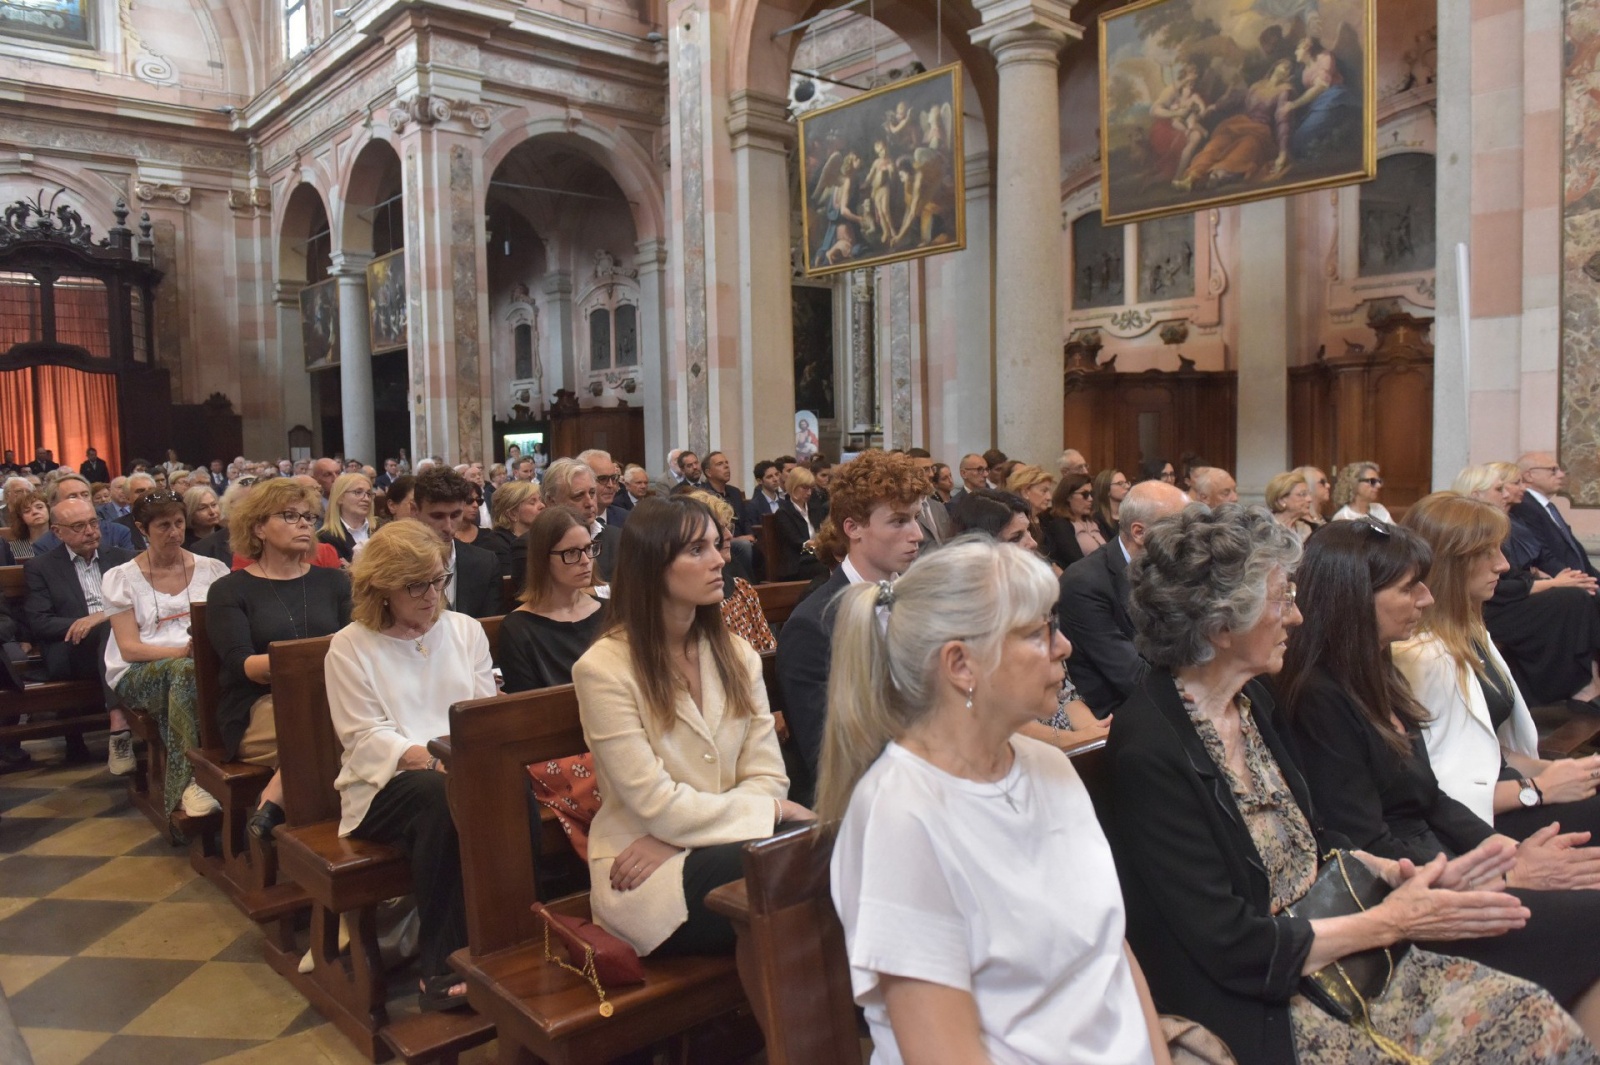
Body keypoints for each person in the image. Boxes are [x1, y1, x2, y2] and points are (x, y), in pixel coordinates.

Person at [1109, 504, 1591, 1065]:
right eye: (1280, 600)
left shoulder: (1250, 702)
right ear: (1220, 626)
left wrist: (1408, 873)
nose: (1295, 616)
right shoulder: (1151, 748)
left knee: (1528, 1013)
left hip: (1338, 958)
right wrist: (1392, 919)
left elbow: (1320, 845)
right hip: (1267, 1000)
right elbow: (1233, 947)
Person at [820, 540, 1175, 1065]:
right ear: (961, 664)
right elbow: (945, 1053)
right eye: (1038, 632)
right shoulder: (901, 816)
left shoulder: (1047, 765)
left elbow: (1110, 954)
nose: (1064, 647)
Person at [1277, 518, 1600, 1031]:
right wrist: (1503, 876)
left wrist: (1506, 855)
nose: (1427, 599)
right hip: (1409, 897)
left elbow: (1431, 798)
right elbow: (1363, 841)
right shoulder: (1317, 696)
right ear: (1354, 598)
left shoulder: (1374, 667)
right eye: (1409, 588)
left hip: (1446, 866)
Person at [572, 496, 803, 956]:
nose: (721, 559)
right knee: (795, 859)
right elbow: (654, 804)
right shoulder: (604, 669)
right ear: (653, 565)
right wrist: (776, 814)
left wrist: (679, 841)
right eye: (697, 550)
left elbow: (770, 778)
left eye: (717, 545)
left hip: (682, 846)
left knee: (797, 870)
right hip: (642, 874)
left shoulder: (736, 654)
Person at [326, 520, 495, 1011]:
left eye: (439, 580)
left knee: (510, 793)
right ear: (380, 587)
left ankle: (507, 945)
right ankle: (441, 966)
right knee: (439, 800)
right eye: (415, 586)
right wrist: (433, 759)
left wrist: (465, 759)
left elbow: (482, 710)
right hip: (383, 786)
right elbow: (365, 734)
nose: (431, 595)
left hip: (459, 769)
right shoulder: (351, 646)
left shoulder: (464, 630)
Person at [1395, 493, 1600, 836]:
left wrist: (1555, 771)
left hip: (1505, 786)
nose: (1503, 565)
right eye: (1487, 553)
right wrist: (1538, 788)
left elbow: (1490, 751)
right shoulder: (1418, 655)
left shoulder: (1470, 629)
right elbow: (1434, 791)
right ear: (1450, 562)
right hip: (1471, 822)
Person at [206, 478, 351, 841]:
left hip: (332, 698)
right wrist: (308, 658)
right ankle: (324, 841)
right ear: (258, 527)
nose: (304, 524)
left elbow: (359, 646)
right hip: (257, 706)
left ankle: (274, 800)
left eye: (309, 517)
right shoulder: (229, 589)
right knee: (341, 728)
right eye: (290, 515)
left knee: (345, 723)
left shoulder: (334, 583)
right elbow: (242, 665)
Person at [778, 450, 925, 806]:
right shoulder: (814, 626)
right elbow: (833, 758)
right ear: (853, 528)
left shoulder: (919, 601)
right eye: (898, 521)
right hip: (866, 804)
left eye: (917, 518)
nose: (917, 534)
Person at [103, 491, 231, 819]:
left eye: (178, 523)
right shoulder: (121, 577)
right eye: (163, 526)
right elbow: (129, 648)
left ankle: (227, 768)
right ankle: (188, 781)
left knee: (201, 675)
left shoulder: (212, 569)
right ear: (142, 529)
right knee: (186, 673)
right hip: (138, 670)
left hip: (199, 664)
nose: (174, 532)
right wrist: (182, 652)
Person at [1455, 464, 1600, 707]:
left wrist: (1547, 579)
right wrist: (1552, 582)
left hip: (1503, 597)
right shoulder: (1468, 529)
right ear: (1475, 494)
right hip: (1485, 608)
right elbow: (1499, 586)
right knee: (1571, 600)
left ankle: (1586, 681)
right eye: (1498, 488)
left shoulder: (1497, 524)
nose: (1506, 494)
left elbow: (1515, 572)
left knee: (1575, 597)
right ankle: (1575, 687)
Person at [21, 498, 136, 773]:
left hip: (123, 645)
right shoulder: (41, 567)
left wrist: (100, 616)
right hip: (72, 651)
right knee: (112, 628)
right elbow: (39, 622)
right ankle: (119, 726)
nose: (90, 531)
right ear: (57, 532)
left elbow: (141, 604)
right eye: (78, 526)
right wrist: (86, 623)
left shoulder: (123, 559)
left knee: (111, 627)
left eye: (93, 522)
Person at [1057, 480, 1188, 718]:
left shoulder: (1172, 570)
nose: (1191, 538)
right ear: (1139, 532)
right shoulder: (1084, 584)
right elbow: (1131, 677)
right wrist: (1199, 697)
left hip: (1167, 700)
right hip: (1120, 719)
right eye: (1180, 529)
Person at [499, 506, 605, 693]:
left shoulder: (609, 612)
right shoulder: (519, 628)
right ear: (543, 559)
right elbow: (527, 707)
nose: (585, 560)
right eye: (571, 552)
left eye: (589, 549)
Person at [409, 467, 500, 618]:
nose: (448, 527)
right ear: (414, 510)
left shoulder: (485, 563)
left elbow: (489, 627)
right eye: (437, 516)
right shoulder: (394, 563)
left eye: (456, 515)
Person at [1512, 453, 1599, 579]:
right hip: (1566, 585)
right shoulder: (1524, 506)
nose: (1561, 475)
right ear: (1529, 475)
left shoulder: (1547, 507)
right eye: (1553, 470)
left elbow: (1575, 553)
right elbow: (1543, 555)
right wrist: (1579, 582)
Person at [481, 479, 543, 585]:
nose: (542, 506)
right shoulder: (495, 544)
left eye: (540, 500)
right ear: (512, 513)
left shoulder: (541, 537)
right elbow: (513, 584)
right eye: (533, 502)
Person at [772, 467, 826, 581]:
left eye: (811, 488)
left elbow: (823, 532)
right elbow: (796, 541)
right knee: (826, 568)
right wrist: (816, 544)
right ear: (793, 486)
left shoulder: (815, 508)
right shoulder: (783, 512)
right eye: (805, 488)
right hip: (797, 563)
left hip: (816, 556)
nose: (809, 493)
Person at [1041, 473, 1099, 571]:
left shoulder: (1094, 521)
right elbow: (1076, 561)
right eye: (1085, 494)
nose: (1090, 499)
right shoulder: (1061, 525)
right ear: (1068, 496)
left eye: (1091, 494)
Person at [317, 473, 376, 564]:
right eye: (358, 492)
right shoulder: (325, 538)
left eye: (368, 494)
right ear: (340, 498)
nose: (366, 499)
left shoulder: (382, 528)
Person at [1264, 469, 1314, 539]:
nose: (1309, 499)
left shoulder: (1305, 529)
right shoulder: (1266, 528)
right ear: (1281, 500)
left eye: (1309, 494)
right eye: (1302, 494)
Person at [6, 489, 51, 559]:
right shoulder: (12, 548)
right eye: (27, 511)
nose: (35, 512)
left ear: (48, 509)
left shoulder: (64, 541)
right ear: (21, 518)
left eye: (39, 507)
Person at [1091, 468, 1129, 540]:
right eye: (1120, 483)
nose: (1127, 487)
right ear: (1106, 489)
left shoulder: (1130, 515)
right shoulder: (1097, 519)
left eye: (1126, 482)